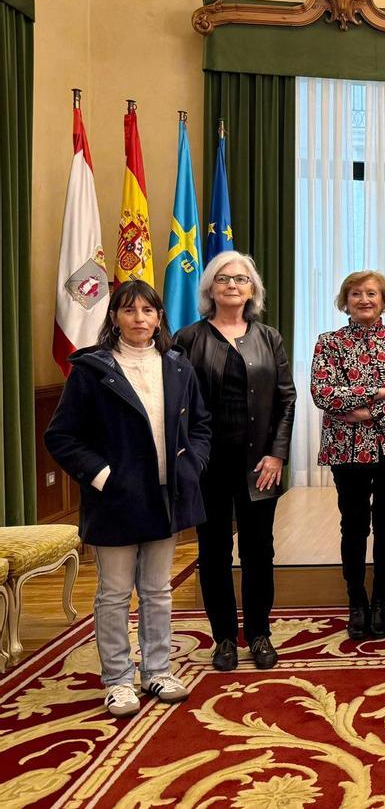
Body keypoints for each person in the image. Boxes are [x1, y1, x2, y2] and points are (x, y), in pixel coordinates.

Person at [45, 280, 211, 717]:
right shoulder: (92, 370)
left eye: (148, 310)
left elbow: (200, 425)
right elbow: (61, 436)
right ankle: (118, 680)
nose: (140, 318)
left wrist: (191, 465)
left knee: (158, 591)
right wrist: (104, 477)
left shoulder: (178, 366)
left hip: (166, 497)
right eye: (129, 310)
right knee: (115, 593)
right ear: (114, 317)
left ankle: (158, 669)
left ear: (159, 317)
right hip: (115, 499)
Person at [175, 251, 297, 672]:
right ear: (210, 288)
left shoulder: (268, 337)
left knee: (259, 550)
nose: (232, 285)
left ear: (253, 290)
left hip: (259, 464)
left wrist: (277, 453)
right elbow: (178, 405)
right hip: (207, 464)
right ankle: (224, 638)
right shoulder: (188, 338)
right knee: (213, 552)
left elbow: (286, 398)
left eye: (241, 279)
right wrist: (188, 459)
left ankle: (259, 633)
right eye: (223, 279)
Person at [310, 271, 385, 640]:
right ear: (345, 300)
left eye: (371, 293)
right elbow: (323, 394)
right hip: (346, 450)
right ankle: (356, 602)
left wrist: (365, 409)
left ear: (384, 300)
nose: (364, 299)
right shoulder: (328, 343)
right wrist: (381, 393)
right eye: (356, 293)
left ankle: (381, 603)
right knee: (354, 525)